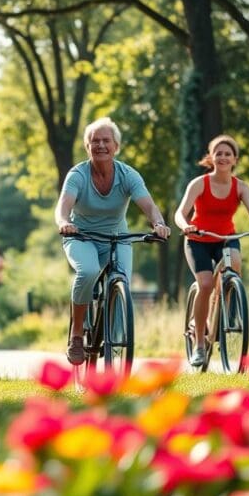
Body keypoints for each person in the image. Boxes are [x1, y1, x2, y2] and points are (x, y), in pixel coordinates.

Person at [54, 117, 170, 365]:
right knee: (89, 271)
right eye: (95, 141)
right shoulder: (78, 174)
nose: (100, 145)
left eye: (106, 140)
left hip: (117, 238)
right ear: (87, 147)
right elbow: (63, 206)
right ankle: (76, 335)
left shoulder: (128, 175)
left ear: (116, 146)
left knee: (122, 283)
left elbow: (148, 205)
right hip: (81, 236)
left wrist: (158, 223)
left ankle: (113, 338)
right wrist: (64, 222)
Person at [174, 134, 249, 366]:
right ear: (211, 157)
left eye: (227, 153)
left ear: (234, 159)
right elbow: (180, 212)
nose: (222, 157)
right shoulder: (200, 183)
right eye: (218, 153)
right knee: (206, 284)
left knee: (235, 264)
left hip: (226, 238)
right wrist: (186, 225)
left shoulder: (241, 187)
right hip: (198, 239)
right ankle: (200, 342)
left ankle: (226, 309)